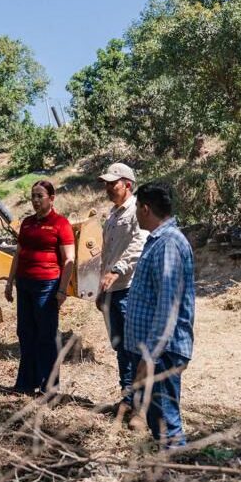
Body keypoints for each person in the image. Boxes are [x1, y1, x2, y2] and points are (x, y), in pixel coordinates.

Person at [124, 182, 195, 448]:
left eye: (136, 208)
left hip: (162, 353)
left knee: (167, 425)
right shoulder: (158, 241)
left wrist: (150, 356)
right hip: (154, 351)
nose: (135, 214)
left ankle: (177, 470)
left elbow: (168, 307)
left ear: (145, 208)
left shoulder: (168, 244)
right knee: (158, 422)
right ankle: (169, 469)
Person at [4, 179, 75, 395]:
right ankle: (26, 383)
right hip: (24, 284)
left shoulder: (61, 224)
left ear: (51, 198)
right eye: (33, 196)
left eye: (40, 196)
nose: (35, 200)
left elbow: (69, 259)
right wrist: (9, 282)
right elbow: (18, 254)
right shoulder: (26, 223)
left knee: (46, 335)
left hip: (47, 285)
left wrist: (62, 290)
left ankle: (49, 389)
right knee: (25, 333)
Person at [96, 163, 147, 420]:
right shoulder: (113, 214)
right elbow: (106, 254)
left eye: (112, 183)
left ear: (127, 184)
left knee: (134, 348)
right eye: (106, 183)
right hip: (112, 290)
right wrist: (101, 288)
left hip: (129, 288)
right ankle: (127, 398)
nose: (107, 187)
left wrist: (117, 270)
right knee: (120, 347)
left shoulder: (138, 211)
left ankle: (140, 405)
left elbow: (139, 243)